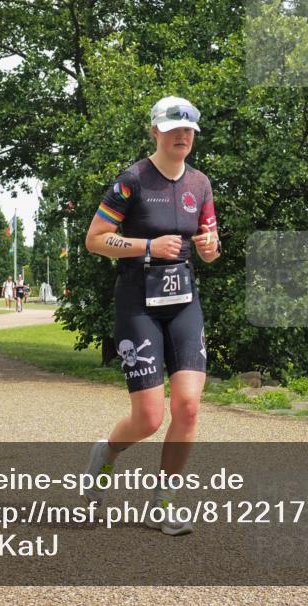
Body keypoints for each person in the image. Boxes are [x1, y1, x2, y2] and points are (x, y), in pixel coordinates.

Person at [83, 96, 220, 536]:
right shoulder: (132, 181)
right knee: (149, 417)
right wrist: (146, 246)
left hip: (184, 300)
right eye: (173, 128)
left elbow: (211, 245)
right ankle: (105, 454)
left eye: (189, 131)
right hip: (138, 300)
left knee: (188, 407)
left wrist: (210, 249)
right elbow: (95, 239)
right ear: (154, 131)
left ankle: (164, 504)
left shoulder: (200, 184)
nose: (182, 136)